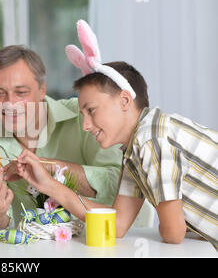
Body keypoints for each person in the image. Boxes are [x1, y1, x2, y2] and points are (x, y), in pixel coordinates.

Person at [16, 20, 217, 249]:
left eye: (91, 111)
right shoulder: (134, 152)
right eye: (83, 115)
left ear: (124, 100)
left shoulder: (151, 139)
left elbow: (173, 233)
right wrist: (49, 185)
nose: (85, 126)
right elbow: (118, 223)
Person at [0, 44, 123, 230]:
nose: (10, 104)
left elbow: (119, 183)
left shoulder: (83, 115)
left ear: (42, 90)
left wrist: (49, 167)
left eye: (21, 93)